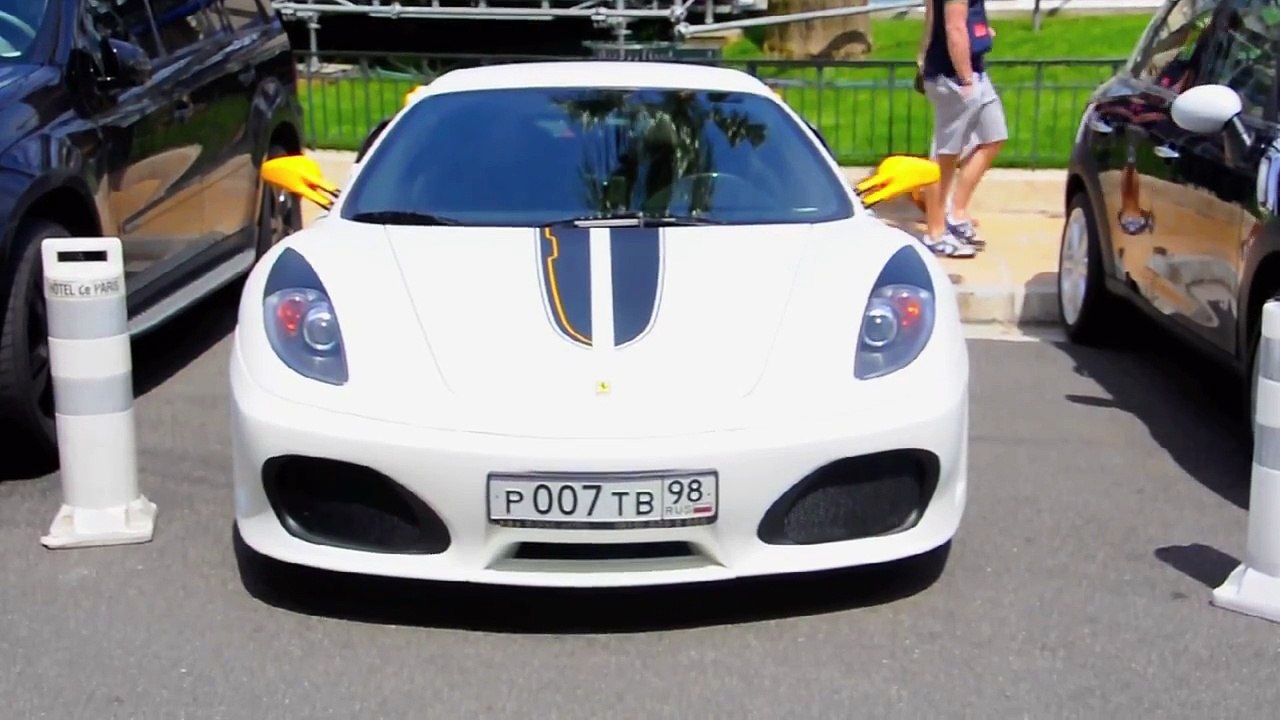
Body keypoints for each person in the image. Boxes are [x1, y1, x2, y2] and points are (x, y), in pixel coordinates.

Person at [916, 0, 1008, 257]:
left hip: (972, 70)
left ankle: (955, 213)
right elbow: (954, 27)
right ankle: (935, 232)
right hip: (954, 76)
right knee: (944, 155)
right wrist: (966, 79)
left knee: (994, 136)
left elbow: (935, 19)